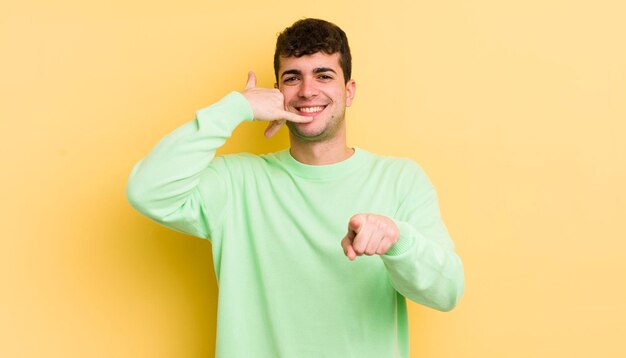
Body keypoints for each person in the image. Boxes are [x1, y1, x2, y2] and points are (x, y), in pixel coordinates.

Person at [126, 18, 464, 358]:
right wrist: (235, 108)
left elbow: (446, 292)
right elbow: (146, 190)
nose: (306, 90)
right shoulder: (237, 182)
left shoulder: (400, 179)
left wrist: (396, 240)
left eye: (323, 75)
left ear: (349, 91)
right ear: (277, 93)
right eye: (292, 77)